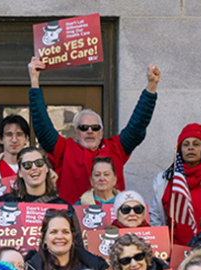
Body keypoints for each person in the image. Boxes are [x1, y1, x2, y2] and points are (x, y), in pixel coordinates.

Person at [28, 58, 160, 204]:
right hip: (73, 222)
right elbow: (42, 126)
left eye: (95, 128)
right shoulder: (64, 150)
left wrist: (151, 87)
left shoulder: (116, 148)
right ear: (76, 134)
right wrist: (34, 82)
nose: (90, 131)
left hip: (111, 223)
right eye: (84, 128)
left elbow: (137, 125)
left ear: (102, 133)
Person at [153, 123, 201, 239]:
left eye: (196, 144)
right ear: (179, 150)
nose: (190, 147)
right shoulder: (165, 179)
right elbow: (155, 216)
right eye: (185, 144)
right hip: (175, 250)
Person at [27, 208, 107, 270]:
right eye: (53, 232)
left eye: (65, 232)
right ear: (44, 238)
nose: (60, 236)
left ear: (72, 237)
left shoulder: (91, 269)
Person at [0, 147, 68, 204]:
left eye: (39, 163)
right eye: (27, 165)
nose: (34, 168)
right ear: (20, 173)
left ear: (47, 168)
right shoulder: (5, 202)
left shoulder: (61, 206)